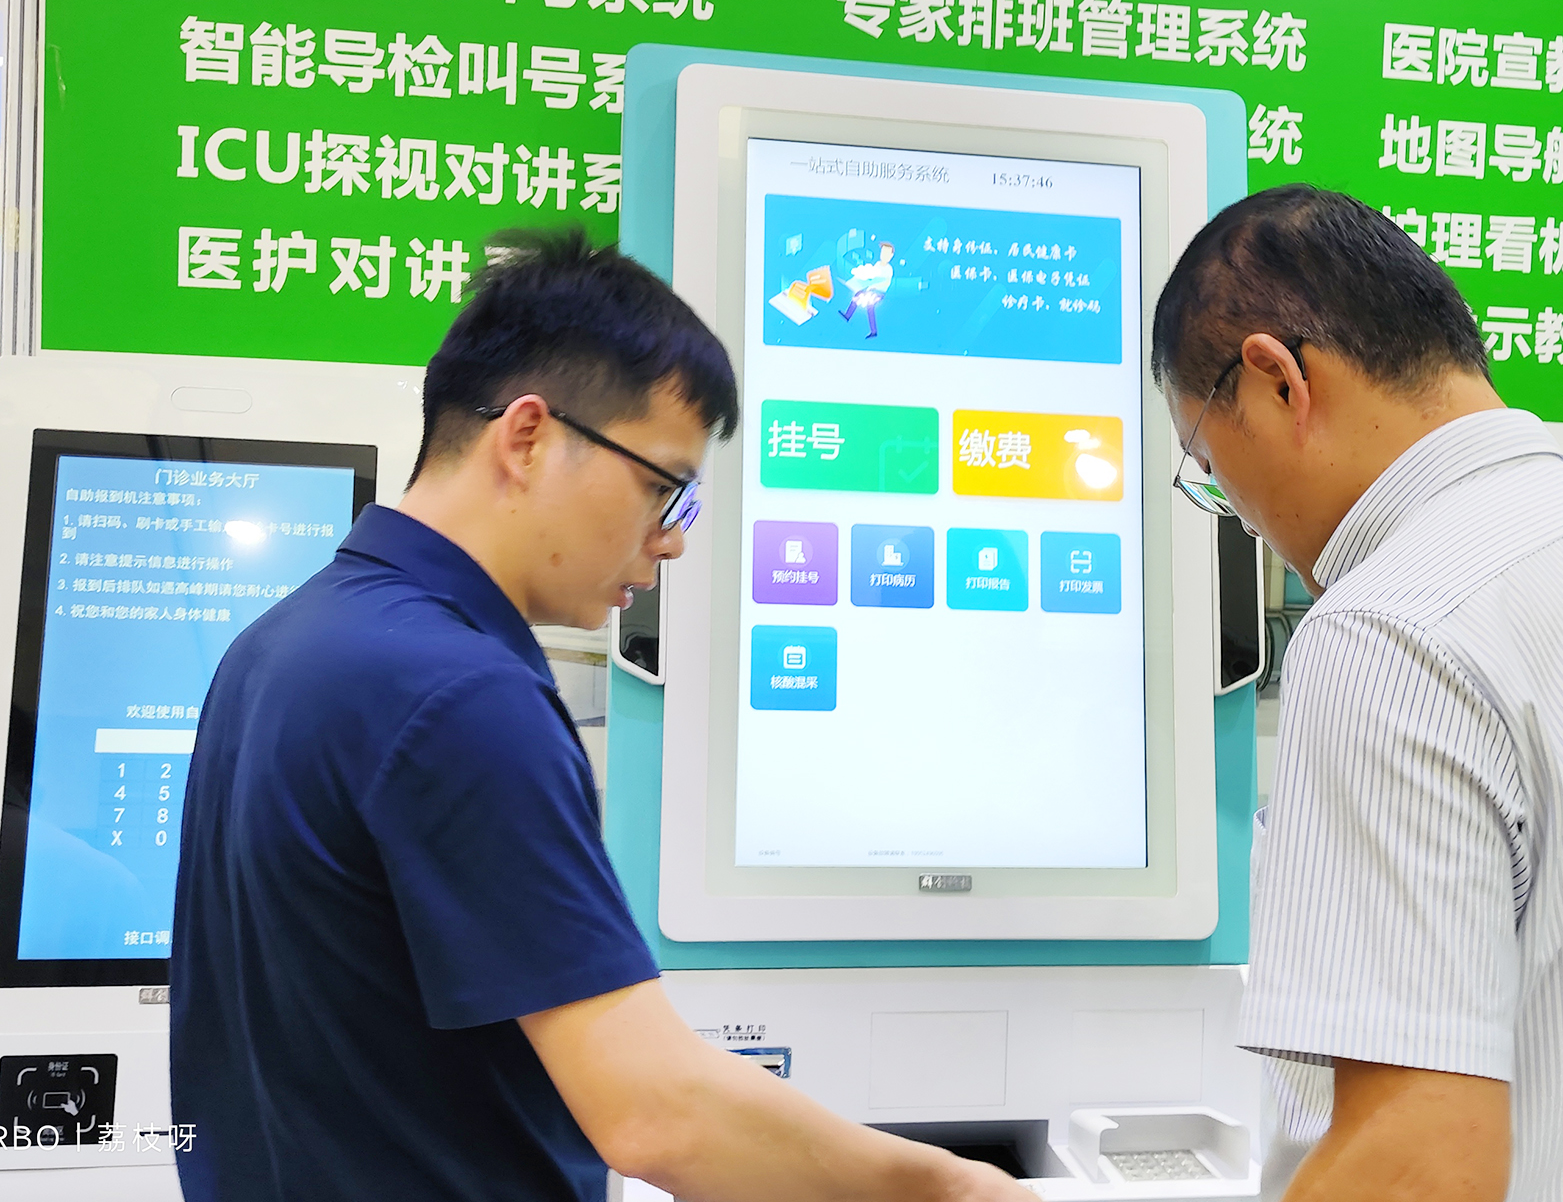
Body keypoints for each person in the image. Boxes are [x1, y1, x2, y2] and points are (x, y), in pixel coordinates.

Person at [172, 228, 1036, 1202]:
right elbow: (656, 1115)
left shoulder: (281, 643)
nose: (671, 541)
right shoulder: (463, 699)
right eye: (663, 487)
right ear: (528, 437)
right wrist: (951, 1188)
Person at [1152, 185, 1563, 1202]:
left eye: (1205, 460)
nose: (1233, 509)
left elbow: (1418, 1162)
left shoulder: (1391, 626)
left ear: (1277, 381)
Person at [840, 240, 895, 338]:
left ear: (891, 256)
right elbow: (871, 275)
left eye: (887, 253)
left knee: (870, 306)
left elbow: (886, 283)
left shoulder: (889, 269)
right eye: (883, 252)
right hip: (870, 289)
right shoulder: (878, 264)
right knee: (858, 295)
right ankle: (848, 315)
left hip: (880, 291)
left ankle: (873, 331)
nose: (884, 255)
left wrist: (875, 286)